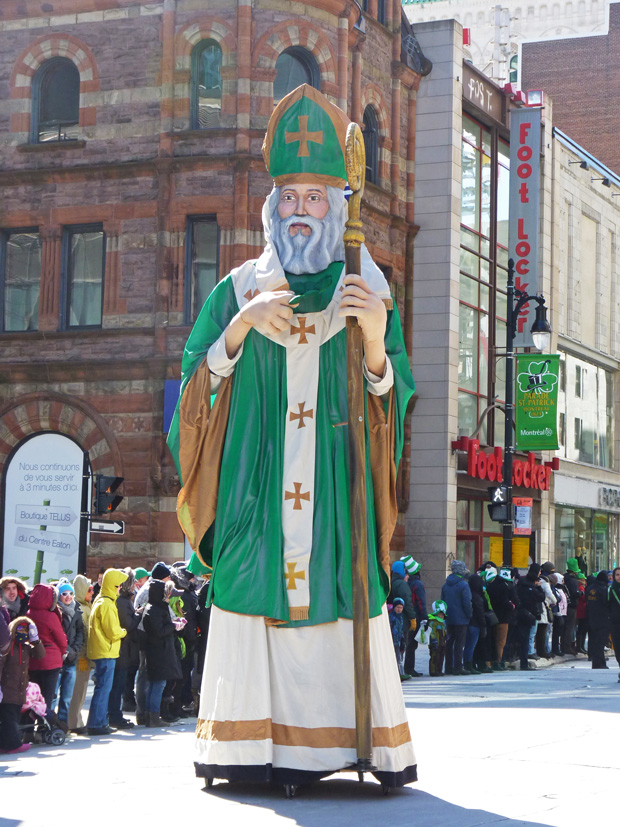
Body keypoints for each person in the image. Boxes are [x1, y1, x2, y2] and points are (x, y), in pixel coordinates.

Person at [167, 84, 417, 787]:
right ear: (272, 206)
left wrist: (372, 338)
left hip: (337, 500)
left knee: (340, 590)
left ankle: (343, 743)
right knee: (249, 590)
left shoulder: (367, 290)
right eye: (291, 197)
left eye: (316, 197)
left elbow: (393, 404)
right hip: (254, 499)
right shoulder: (238, 287)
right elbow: (192, 394)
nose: (301, 210)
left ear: (339, 206)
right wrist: (239, 331)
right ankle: (247, 748)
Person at [86, 569, 128, 736]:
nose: (120, 589)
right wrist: (124, 632)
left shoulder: (101, 600)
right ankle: (96, 724)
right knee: (103, 689)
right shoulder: (107, 604)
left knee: (102, 688)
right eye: (119, 586)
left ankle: (99, 722)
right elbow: (113, 631)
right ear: (114, 586)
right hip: (106, 651)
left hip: (102, 650)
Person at [0, 616, 45, 754]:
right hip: (8, 690)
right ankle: (13, 745)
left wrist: (36, 639)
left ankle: (5, 744)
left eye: (26, 630)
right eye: (20, 629)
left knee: (13, 718)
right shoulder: (8, 647)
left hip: (20, 691)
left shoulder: (26, 647)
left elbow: (40, 655)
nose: (23, 633)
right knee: (9, 719)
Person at [142, 580, 184, 727]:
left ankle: (149, 715)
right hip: (160, 651)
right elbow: (160, 631)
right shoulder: (156, 609)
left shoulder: (152, 607)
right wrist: (174, 625)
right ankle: (153, 716)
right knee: (158, 684)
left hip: (157, 650)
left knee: (155, 683)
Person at [26, 584, 67, 715]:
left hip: (33, 660)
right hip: (51, 660)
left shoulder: (28, 613)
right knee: (47, 697)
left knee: (32, 696)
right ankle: (44, 730)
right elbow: (61, 639)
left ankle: (29, 729)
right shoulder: (50, 616)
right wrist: (61, 652)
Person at [108, 568, 139, 729]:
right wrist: (139, 615)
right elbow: (128, 625)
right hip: (121, 650)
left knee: (119, 684)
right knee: (117, 685)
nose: (135, 584)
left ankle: (115, 715)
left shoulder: (124, 601)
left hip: (125, 649)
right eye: (133, 582)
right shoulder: (122, 601)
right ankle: (114, 716)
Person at [67, 575, 94, 734]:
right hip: (81, 657)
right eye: (89, 589)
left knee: (81, 690)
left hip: (85, 656)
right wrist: (82, 656)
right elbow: (82, 633)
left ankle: (76, 720)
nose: (91, 592)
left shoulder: (86, 605)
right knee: (77, 691)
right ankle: (74, 722)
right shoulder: (80, 607)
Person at [55, 582, 85, 724]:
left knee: (67, 697)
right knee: (53, 696)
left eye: (70, 593)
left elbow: (80, 632)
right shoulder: (55, 610)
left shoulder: (77, 610)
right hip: (58, 659)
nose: (68, 597)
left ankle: (62, 725)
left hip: (71, 659)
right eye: (64, 593)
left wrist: (74, 650)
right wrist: (64, 649)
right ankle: (49, 725)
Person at [441, 561, 472, 676]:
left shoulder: (445, 585)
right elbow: (467, 603)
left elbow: (442, 602)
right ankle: (458, 667)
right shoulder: (464, 585)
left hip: (449, 618)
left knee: (449, 643)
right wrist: (469, 615)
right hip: (461, 619)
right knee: (459, 644)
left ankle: (448, 667)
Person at [401, 556, 427, 678]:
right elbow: (421, 602)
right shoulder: (418, 584)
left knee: (406, 643)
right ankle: (409, 668)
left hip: (404, 615)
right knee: (412, 644)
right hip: (415, 616)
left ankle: (406, 667)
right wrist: (425, 617)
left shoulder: (405, 583)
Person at [516, 564, 545, 671]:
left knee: (523, 639)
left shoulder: (521, 582)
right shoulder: (531, 587)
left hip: (521, 613)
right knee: (526, 638)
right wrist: (539, 587)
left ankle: (522, 660)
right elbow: (541, 597)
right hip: (528, 614)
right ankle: (524, 663)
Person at [486, 566, 517, 667]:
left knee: (491, 640)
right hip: (503, 617)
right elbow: (505, 602)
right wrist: (512, 606)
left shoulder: (490, 585)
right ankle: (498, 661)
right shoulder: (505, 586)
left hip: (491, 616)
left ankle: (489, 662)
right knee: (501, 641)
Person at [585, 571, 610, 669]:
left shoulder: (590, 588)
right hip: (602, 618)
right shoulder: (603, 589)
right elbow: (606, 603)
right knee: (600, 642)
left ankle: (595, 662)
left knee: (594, 640)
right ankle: (600, 663)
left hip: (590, 617)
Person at [465, 573, 488, 674]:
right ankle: (469, 665)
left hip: (468, 622)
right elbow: (480, 612)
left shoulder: (468, 593)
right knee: (471, 646)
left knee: (468, 645)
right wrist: (483, 625)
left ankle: (470, 664)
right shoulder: (477, 596)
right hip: (475, 624)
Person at [388, 598, 408, 681]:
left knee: (399, 657)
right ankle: (399, 674)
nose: (399, 609)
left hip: (399, 641)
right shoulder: (391, 617)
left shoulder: (402, 618)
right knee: (397, 658)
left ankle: (400, 673)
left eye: (401, 607)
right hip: (393, 640)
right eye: (397, 607)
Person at [427, 600, 447, 677]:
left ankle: (439, 670)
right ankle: (433, 671)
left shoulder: (442, 623)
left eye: (442, 615)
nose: (441, 616)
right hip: (435, 643)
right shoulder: (433, 623)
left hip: (442, 643)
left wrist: (446, 636)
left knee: (441, 657)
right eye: (439, 615)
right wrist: (434, 640)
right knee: (435, 657)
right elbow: (432, 632)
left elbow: (444, 632)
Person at [609, 567, 620, 682]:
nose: (619, 577)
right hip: (615, 623)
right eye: (617, 575)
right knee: (618, 647)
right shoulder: (610, 590)